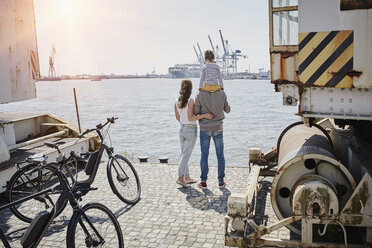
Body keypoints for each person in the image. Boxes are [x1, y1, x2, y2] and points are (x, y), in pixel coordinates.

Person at [174, 80, 213, 188]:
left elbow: (178, 118)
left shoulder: (177, 101)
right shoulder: (190, 100)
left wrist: (184, 123)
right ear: (190, 89)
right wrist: (204, 115)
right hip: (191, 129)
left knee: (183, 153)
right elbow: (191, 117)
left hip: (181, 129)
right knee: (186, 154)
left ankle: (186, 176)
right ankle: (180, 177)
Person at [193, 84, 230, 189]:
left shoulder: (200, 94)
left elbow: (195, 112)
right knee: (220, 154)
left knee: (204, 155)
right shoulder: (222, 93)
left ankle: (203, 181)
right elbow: (228, 110)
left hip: (204, 128)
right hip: (218, 127)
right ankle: (221, 181)